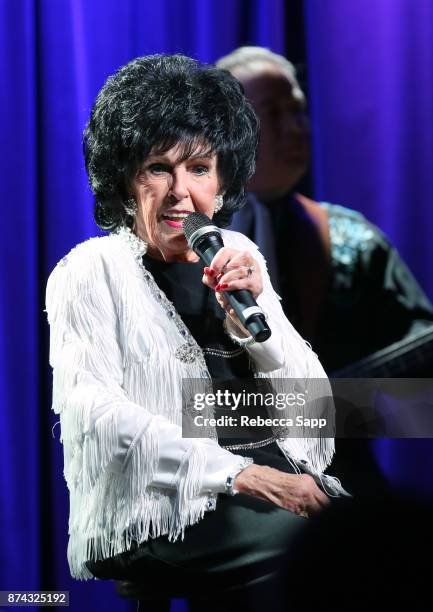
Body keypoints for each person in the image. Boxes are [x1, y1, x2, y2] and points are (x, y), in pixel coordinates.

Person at [46, 54, 349, 610]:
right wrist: (243, 475)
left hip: (268, 488)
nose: (180, 192)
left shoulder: (238, 256)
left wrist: (261, 330)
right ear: (125, 178)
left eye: (200, 168)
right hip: (163, 507)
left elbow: (316, 412)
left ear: (223, 181)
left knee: (387, 542)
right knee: (322, 555)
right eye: (157, 168)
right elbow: (98, 418)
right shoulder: (92, 270)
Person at [216, 46, 433, 500]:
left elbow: (424, 402)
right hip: (221, 497)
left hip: (343, 498)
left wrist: (338, 410)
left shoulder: (354, 240)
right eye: (273, 113)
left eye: (299, 112)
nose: (296, 127)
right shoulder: (181, 248)